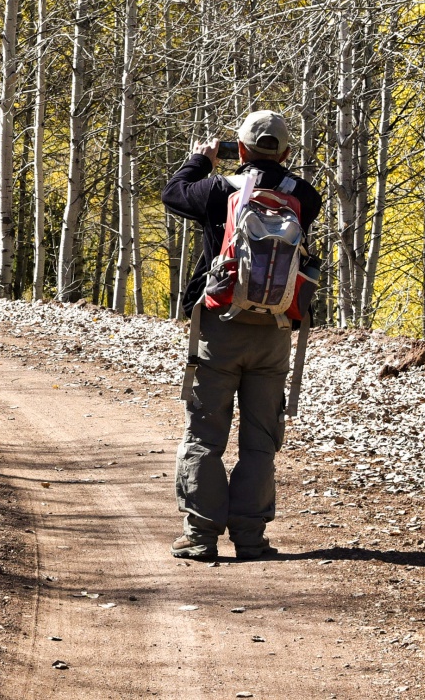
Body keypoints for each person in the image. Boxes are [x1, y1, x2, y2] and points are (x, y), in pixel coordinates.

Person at [161, 110, 322, 562]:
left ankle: (200, 536)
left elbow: (172, 195)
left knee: (205, 434)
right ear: (287, 153)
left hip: (220, 325)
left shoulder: (218, 190)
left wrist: (202, 160)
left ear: (242, 149)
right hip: (275, 331)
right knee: (260, 439)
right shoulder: (305, 196)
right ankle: (250, 539)